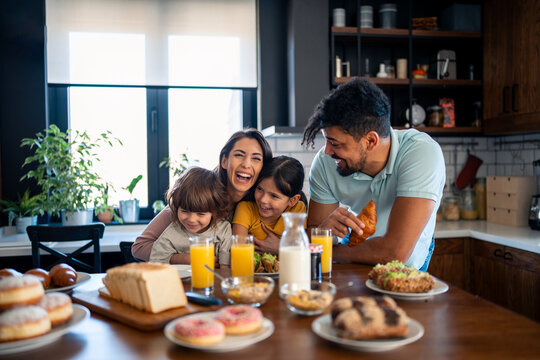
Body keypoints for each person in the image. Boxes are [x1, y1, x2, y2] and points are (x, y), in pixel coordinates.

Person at [302, 78, 445, 271]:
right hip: (354, 251)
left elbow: (395, 253)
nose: (327, 151)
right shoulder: (326, 162)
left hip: (406, 261)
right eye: (326, 140)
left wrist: (328, 251)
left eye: (335, 143)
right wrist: (323, 232)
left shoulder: (422, 153)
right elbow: (314, 239)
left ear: (370, 141)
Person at [132, 129, 273, 261]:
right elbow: (140, 246)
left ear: (263, 168)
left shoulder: (263, 206)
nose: (246, 164)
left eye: (256, 158)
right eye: (239, 155)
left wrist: (280, 247)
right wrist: (188, 258)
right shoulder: (199, 195)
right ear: (224, 161)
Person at [149, 167, 231, 265]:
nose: (192, 220)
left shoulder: (223, 229)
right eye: (184, 211)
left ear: (214, 211)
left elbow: (226, 267)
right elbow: (156, 264)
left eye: (201, 214)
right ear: (177, 207)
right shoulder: (170, 235)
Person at [232, 155, 307, 244]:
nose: (263, 200)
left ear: (293, 200)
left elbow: (298, 248)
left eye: (274, 196)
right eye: (260, 189)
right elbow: (239, 247)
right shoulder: (246, 209)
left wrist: (278, 247)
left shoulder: (296, 211)